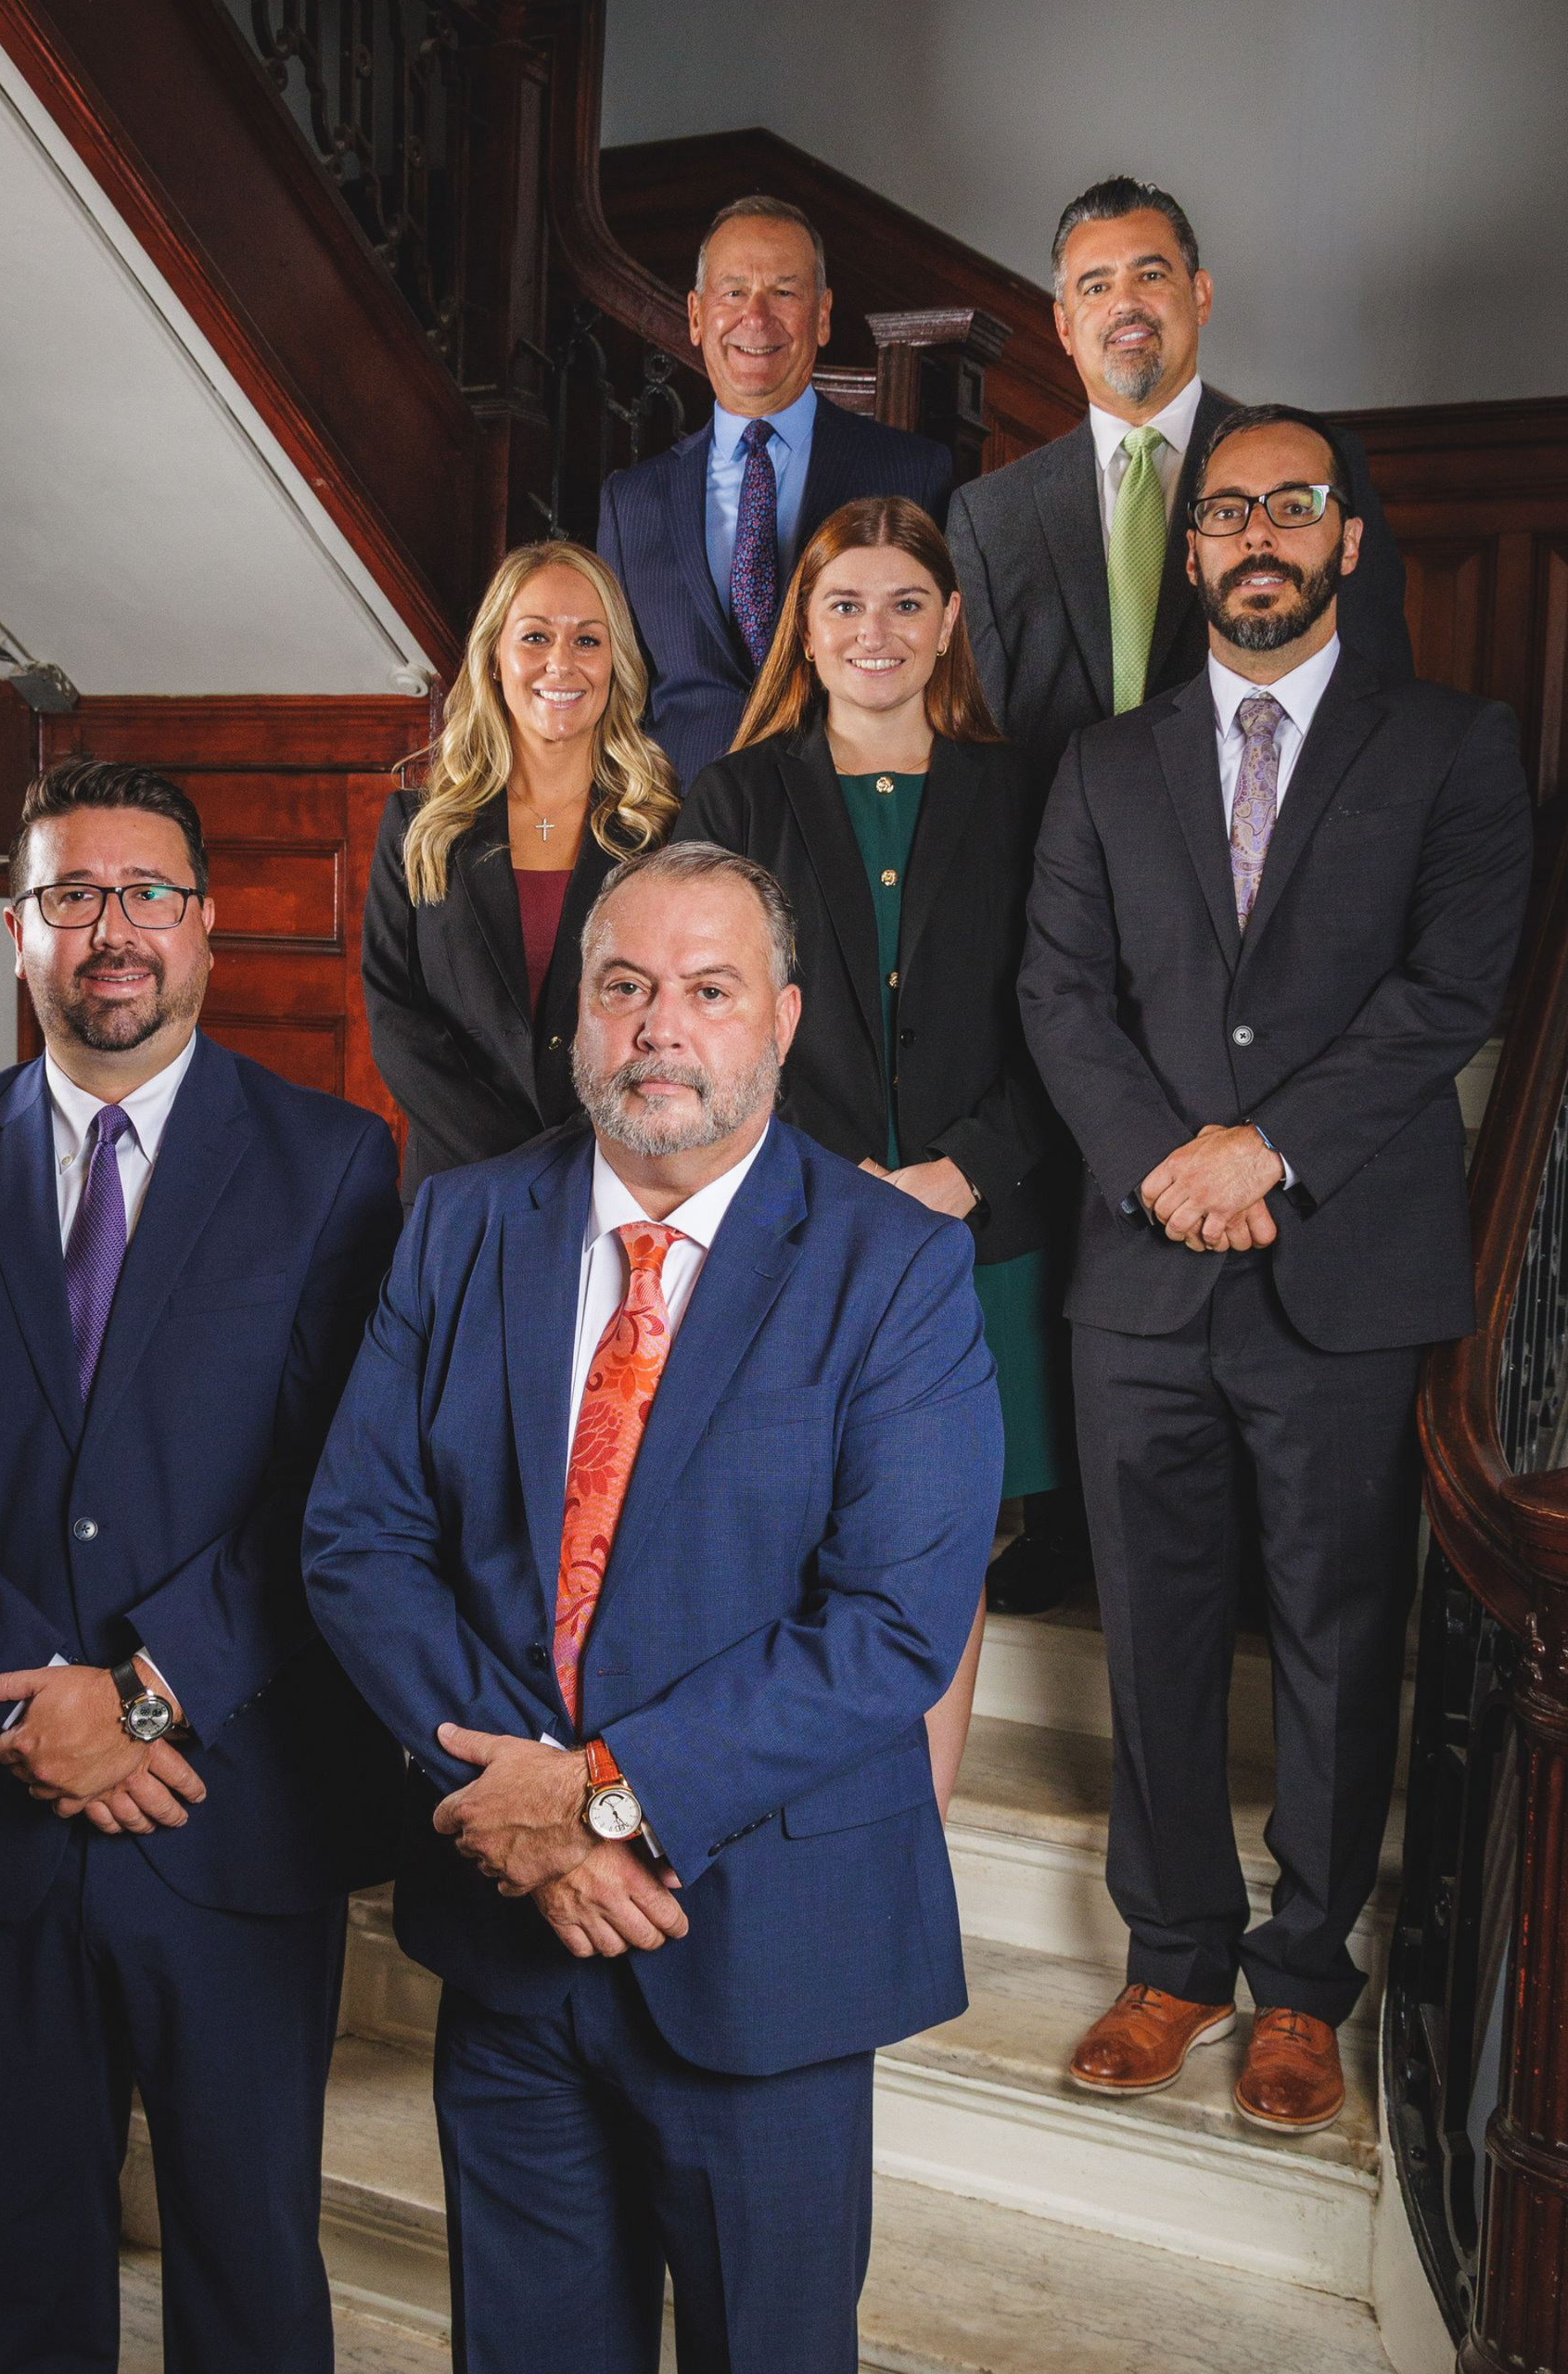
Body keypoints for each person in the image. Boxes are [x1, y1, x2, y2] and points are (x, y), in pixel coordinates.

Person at [305, 841, 1001, 2373]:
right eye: (624, 989)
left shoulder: (895, 1267)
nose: (661, 1029)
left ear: (784, 1017)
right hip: (509, 1939)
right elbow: (359, 1537)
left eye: (707, 989)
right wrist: (517, 1811)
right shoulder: (463, 1225)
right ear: (578, 1025)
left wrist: (600, 1806)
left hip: (762, 1946)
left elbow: (890, 1624)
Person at [0, 759, 404, 2373]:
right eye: (73, 895)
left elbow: (331, 1493)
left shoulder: (333, 1167)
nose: (112, 930)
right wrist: (33, 1708)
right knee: (24, 2238)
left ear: (208, 929)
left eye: (148, 895)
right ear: (22, 931)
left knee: (247, 2244)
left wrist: (142, 1698)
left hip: (229, 1797)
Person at [1018, 404, 1531, 2134]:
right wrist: (1172, 1168)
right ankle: (1171, 1960)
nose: (1256, 535)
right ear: (1194, 545)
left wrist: (1269, 1152)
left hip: (1344, 1272)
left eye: (1290, 508)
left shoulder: (1455, 751)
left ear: (1348, 539)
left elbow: (1448, 996)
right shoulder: (1103, 765)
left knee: (1335, 1628)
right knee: (1152, 1632)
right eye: (1227, 508)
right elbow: (1060, 1000)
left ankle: (1305, 1985)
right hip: (1140, 1276)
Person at [948, 173, 1415, 1617]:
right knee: (1100, 1252)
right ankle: (1082, 1530)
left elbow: (1370, 714)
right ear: (1059, 320)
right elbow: (996, 738)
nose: (1124, 305)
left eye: (1150, 274)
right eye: (1092, 284)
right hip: (1082, 936)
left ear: (1199, 295)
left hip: (1282, 949)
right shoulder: (992, 511)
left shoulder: (1294, 477)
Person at [679, 495, 1053, 1813]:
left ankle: (914, 1827)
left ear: (950, 621)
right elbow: (704, 1006)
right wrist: (811, 1172)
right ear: (806, 628)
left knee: (945, 1541)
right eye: (844, 605)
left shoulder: (1025, 791)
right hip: (791, 1226)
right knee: (792, 1522)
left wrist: (966, 1168)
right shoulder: (735, 793)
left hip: (972, 1232)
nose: (875, 631)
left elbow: (1068, 1011)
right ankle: (788, 1795)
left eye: (906, 603)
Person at [598, 196, 952, 793]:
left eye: (784, 292)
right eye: (733, 292)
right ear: (695, 314)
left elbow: (944, 671)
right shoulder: (630, 500)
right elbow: (616, 695)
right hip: (681, 825)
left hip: (854, 808)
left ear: (822, 315)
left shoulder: (912, 472)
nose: (755, 318)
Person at [364, 541, 679, 1202]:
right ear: (493, 659)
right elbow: (396, 1020)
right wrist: (521, 1165)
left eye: (588, 640)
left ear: (616, 661)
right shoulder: (416, 827)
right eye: (535, 636)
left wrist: (589, 1163)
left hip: (619, 1186)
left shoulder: (666, 834)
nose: (560, 663)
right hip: (459, 1185)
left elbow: (672, 1022)